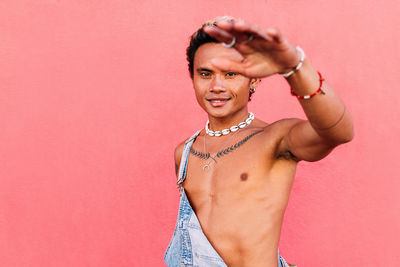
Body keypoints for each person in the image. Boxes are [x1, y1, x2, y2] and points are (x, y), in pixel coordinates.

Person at [164, 16, 354, 267]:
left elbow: (338, 132)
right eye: (205, 73)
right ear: (193, 78)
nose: (217, 85)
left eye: (231, 73)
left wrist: (295, 68)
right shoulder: (185, 153)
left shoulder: (275, 140)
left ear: (253, 79)